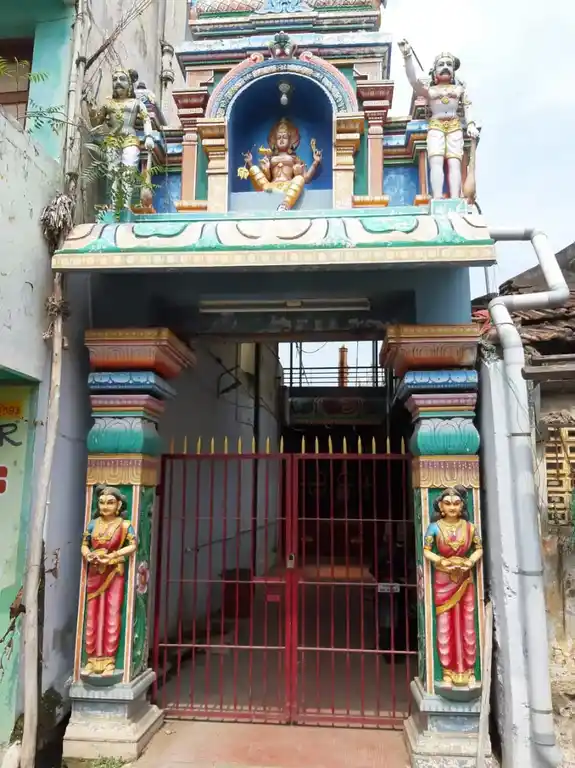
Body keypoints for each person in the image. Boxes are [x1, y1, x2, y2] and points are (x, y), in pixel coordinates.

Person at [397, 41, 479, 200]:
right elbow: (413, 81)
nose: (445, 67)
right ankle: (437, 197)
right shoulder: (430, 90)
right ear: (434, 71)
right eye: (441, 64)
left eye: (449, 64)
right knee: (436, 160)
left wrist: (470, 124)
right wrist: (407, 56)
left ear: (453, 71)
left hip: (455, 125)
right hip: (435, 126)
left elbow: (467, 106)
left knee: (455, 162)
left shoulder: (459, 89)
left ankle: (455, 198)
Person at [423, 486, 483, 687]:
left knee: (468, 623)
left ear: (462, 506)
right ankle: (447, 671)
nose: (452, 507)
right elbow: (427, 550)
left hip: (465, 577)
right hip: (443, 578)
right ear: (440, 506)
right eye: (447, 503)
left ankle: (468, 670)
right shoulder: (434, 528)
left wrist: (470, 561)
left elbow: (479, 549)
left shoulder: (470, 528)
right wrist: (441, 561)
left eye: (456, 503)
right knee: (444, 625)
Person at [81, 484, 137, 676]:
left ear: (119, 505)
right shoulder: (93, 524)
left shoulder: (124, 525)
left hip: (114, 572)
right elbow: (84, 545)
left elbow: (133, 545)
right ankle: (92, 659)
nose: (105, 507)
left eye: (110, 503)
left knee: (112, 613)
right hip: (95, 571)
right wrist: (89, 555)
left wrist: (113, 555)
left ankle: (109, 660)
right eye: (102, 502)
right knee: (92, 614)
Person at [89, 67, 155, 209]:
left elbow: (146, 119)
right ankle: (114, 206)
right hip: (112, 140)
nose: (118, 82)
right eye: (115, 79)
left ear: (129, 84)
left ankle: (125, 206)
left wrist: (149, 136)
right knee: (112, 173)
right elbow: (96, 122)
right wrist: (92, 111)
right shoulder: (108, 103)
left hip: (130, 139)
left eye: (122, 79)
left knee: (128, 172)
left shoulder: (136, 103)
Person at [241, 117, 322, 210]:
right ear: (274, 141)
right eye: (279, 137)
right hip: (270, 187)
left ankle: (285, 205)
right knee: (254, 169)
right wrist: (253, 164)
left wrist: (315, 162)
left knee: (299, 179)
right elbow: (266, 178)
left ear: (291, 140)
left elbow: (306, 178)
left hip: (288, 186)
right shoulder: (270, 158)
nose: (281, 140)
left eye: (285, 137)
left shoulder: (295, 158)